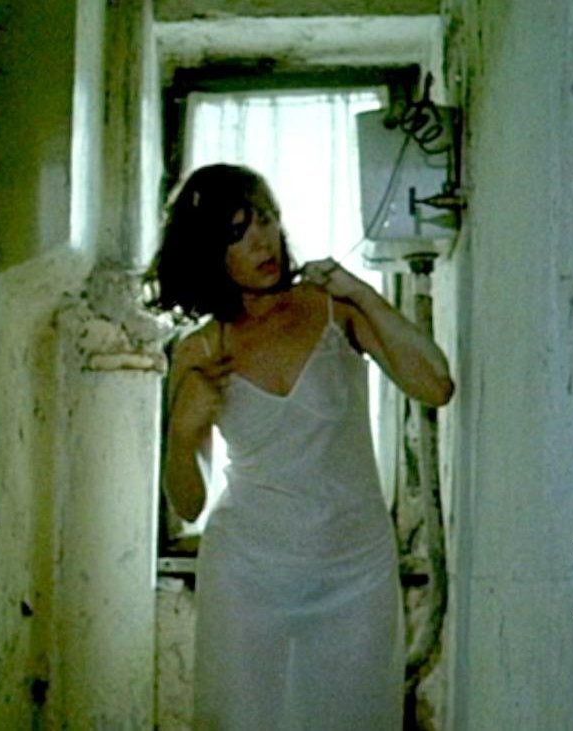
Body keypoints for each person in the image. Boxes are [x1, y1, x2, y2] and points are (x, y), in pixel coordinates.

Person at [144, 163, 454, 730]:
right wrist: (182, 434)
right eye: (236, 234)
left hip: (355, 570)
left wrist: (362, 292)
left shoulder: (335, 308)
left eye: (264, 219)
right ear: (210, 252)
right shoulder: (201, 349)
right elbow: (188, 503)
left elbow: (436, 384)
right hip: (247, 574)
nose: (261, 241)